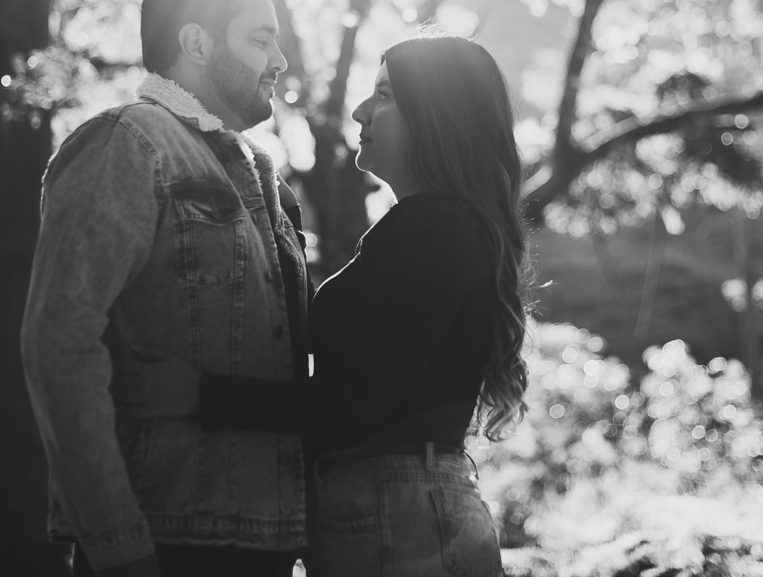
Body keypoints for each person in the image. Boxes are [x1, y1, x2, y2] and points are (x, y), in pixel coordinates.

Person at [120, 35, 529, 577]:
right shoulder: (429, 227)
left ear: (438, 115)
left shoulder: (438, 230)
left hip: (401, 522)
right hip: (393, 513)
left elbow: (354, 401)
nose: (360, 111)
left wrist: (198, 394)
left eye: (385, 95)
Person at [21, 0, 311, 577]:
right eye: (260, 39)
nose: (280, 60)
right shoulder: (125, 143)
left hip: (268, 546)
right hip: (165, 544)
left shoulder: (266, 178)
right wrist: (119, 546)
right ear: (197, 43)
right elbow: (58, 343)